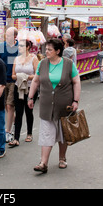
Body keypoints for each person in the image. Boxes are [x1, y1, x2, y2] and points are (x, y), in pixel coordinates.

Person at [27, 38, 81, 174]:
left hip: (64, 106)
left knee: (63, 133)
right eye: (46, 49)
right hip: (46, 105)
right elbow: (35, 81)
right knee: (46, 133)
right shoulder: (42, 63)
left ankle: (62, 158)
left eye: (50, 49)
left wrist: (75, 100)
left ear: (58, 51)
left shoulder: (68, 64)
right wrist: (30, 96)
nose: (46, 52)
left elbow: (76, 82)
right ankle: (43, 163)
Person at [9, 39, 39, 148]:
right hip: (18, 87)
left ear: (27, 47)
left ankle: (29, 133)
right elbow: (13, 75)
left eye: (21, 46)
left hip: (30, 88)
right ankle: (16, 138)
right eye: (18, 46)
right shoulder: (16, 59)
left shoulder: (34, 58)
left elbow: (37, 75)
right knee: (18, 111)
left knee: (28, 111)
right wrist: (20, 76)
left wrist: (25, 77)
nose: (19, 47)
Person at [0, 27, 19, 143]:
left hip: (14, 81)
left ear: (15, 37)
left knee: (10, 106)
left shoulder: (20, 47)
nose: (7, 37)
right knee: (6, 106)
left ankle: (8, 131)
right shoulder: (1, 46)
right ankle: (15, 122)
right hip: (2, 80)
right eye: (6, 35)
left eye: (9, 35)